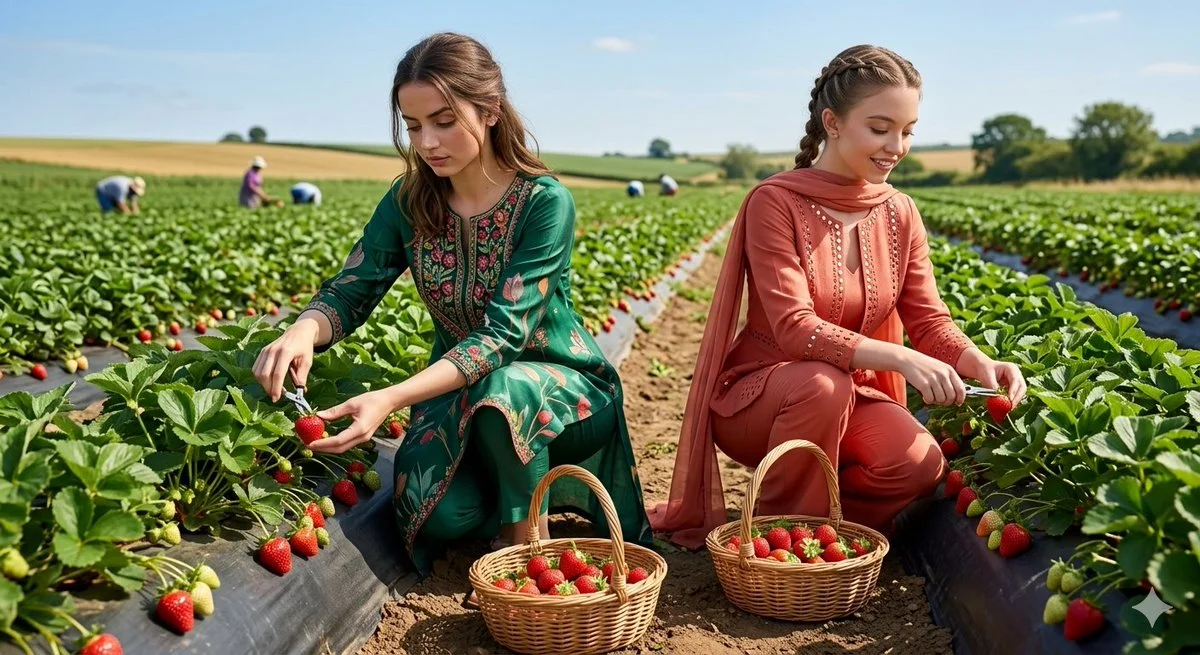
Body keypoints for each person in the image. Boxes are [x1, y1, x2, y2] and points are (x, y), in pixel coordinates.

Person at [251, 32, 653, 577]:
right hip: (459, 397)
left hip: (567, 393)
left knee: (502, 391)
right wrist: (303, 329)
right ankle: (516, 479)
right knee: (437, 514)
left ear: (488, 111)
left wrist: (390, 398)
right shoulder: (408, 201)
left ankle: (526, 545)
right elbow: (353, 287)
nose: (427, 142)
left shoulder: (543, 202)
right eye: (413, 126)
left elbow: (501, 339)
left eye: (443, 121)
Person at [647, 45, 1028, 549]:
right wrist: (900, 357)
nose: (897, 145)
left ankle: (827, 530)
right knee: (822, 387)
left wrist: (974, 359)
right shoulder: (775, 202)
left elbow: (928, 316)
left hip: (847, 394)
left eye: (908, 130)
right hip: (761, 398)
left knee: (918, 462)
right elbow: (794, 327)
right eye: (880, 127)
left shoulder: (899, 212)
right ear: (832, 122)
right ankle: (775, 541)